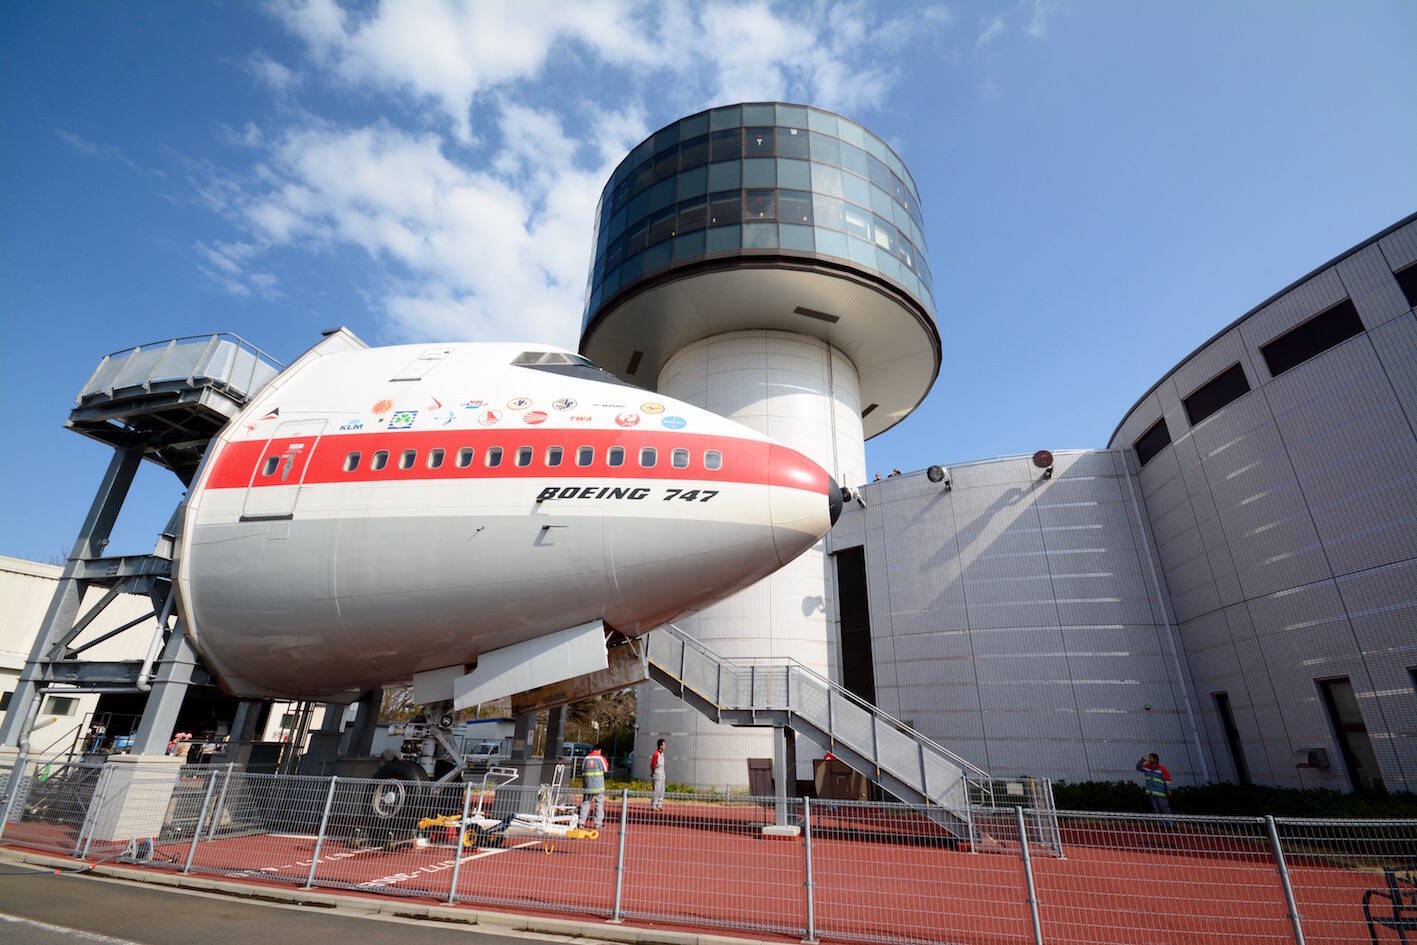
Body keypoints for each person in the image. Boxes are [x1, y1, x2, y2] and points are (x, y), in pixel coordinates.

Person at [579, 746, 608, 830]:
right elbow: (605, 768)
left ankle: (581, 823)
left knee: (585, 803)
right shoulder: (601, 758)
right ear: (600, 750)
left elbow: (582, 769)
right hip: (598, 786)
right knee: (599, 804)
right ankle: (598, 824)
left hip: (587, 785)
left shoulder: (586, 758)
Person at [650, 738, 667, 812]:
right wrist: (653, 772)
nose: (665, 746)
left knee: (662, 790)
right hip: (657, 774)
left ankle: (659, 804)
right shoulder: (656, 754)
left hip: (662, 773)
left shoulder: (662, 755)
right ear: (660, 746)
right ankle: (654, 805)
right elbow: (653, 764)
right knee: (656, 790)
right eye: (664, 745)